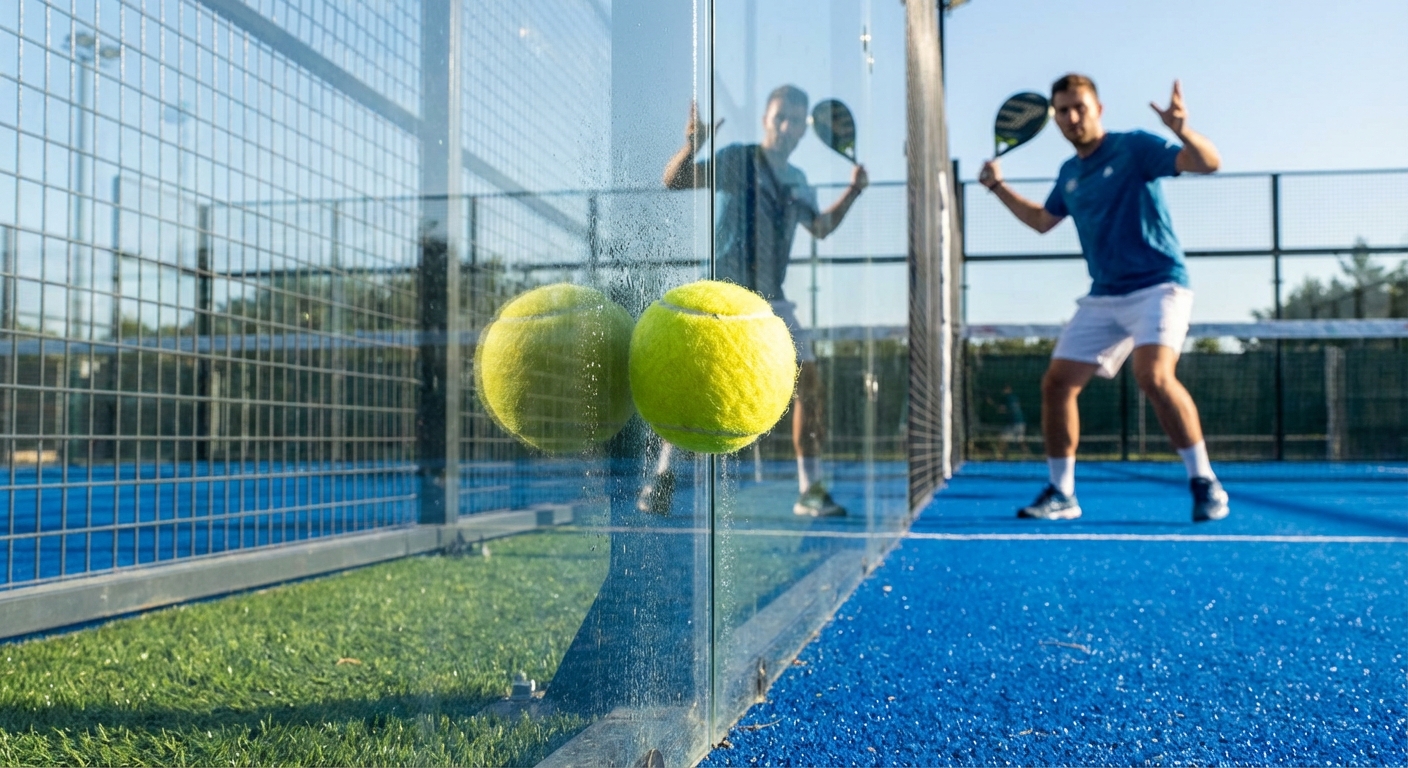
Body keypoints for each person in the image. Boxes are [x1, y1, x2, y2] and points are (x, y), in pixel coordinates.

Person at [977, 74, 1230, 522]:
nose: (1072, 117)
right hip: (1105, 295)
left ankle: (1205, 481)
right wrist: (998, 188)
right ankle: (1062, 492)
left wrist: (1181, 130)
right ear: (1054, 118)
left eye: (1080, 107)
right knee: (1057, 384)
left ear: (1099, 109)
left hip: (1158, 285)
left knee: (1152, 375)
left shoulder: (1133, 147)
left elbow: (1208, 163)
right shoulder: (1070, 173)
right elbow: (1041, 221)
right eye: (1063, 111)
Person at [639, 84, 869, 517]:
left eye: (795, 121)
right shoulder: (739, 160)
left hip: (769, 304)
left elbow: (819, 228)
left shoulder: (799, 181)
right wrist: (691, 148)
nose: (786, 127)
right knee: (692, 382)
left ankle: (810, 490)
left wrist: (853, 193)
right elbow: (675, 181)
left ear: (805, 130)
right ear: (767, 119)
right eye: (780, 117)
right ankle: (662, 477)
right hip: (723, 295)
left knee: (810, 381)